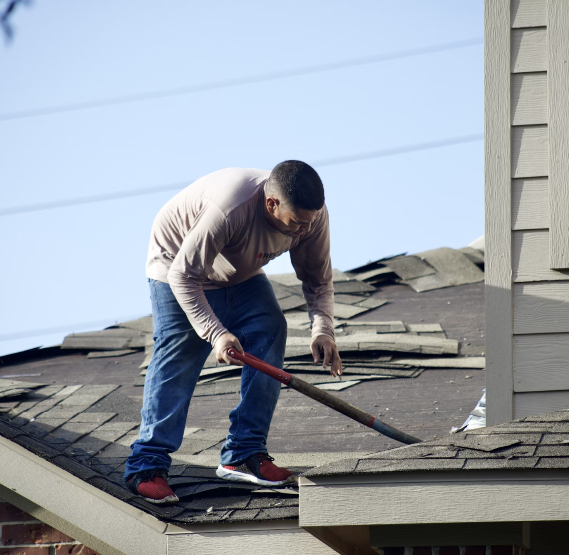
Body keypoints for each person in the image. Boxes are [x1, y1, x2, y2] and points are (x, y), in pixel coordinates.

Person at [124, 161, 342, 504]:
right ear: (272, 204)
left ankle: (243, 453)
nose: (303, 230)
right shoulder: (230, 208)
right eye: (297, 223)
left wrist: (323, 329)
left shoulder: (310, 217)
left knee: (270, 328)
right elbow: (184, 275)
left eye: (309, 222)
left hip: (237, 272)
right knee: (180, 352)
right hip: (176, 267)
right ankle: (146, 466)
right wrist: (215, 332)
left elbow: (318, 279)